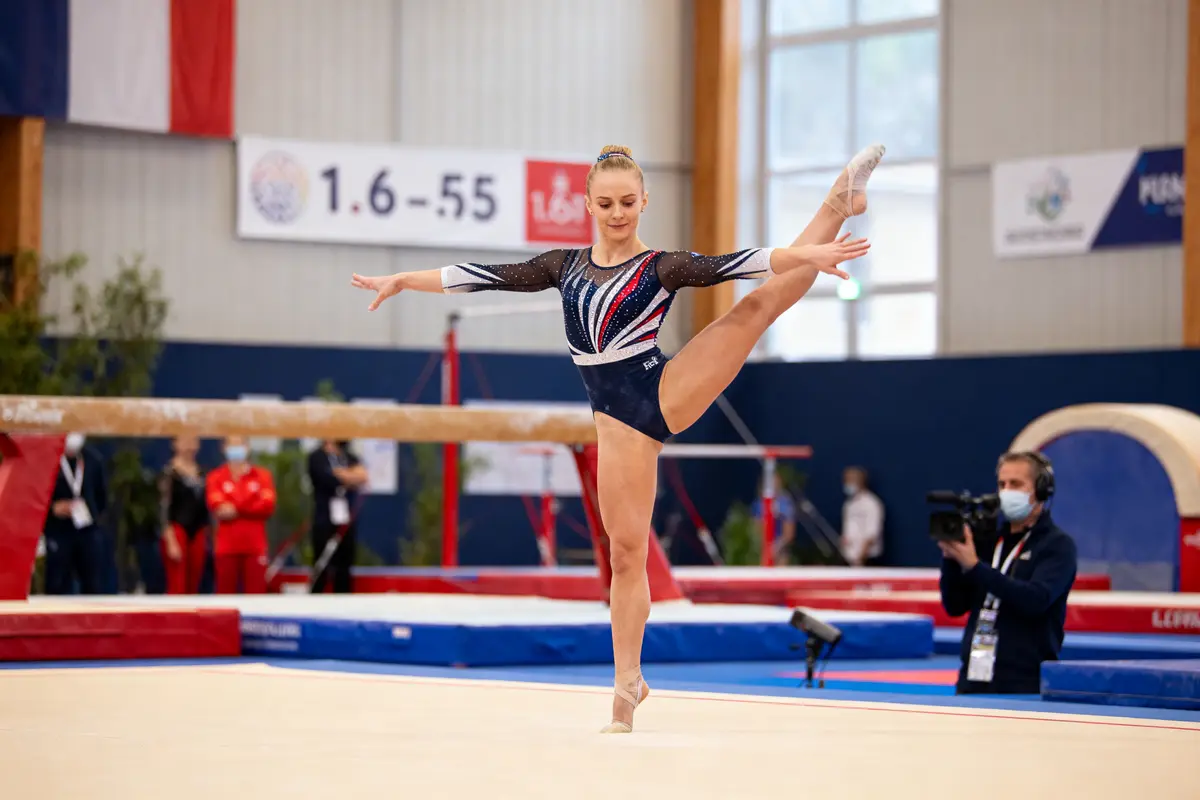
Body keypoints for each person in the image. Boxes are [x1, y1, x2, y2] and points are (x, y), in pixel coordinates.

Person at [351, 142, 885, 732]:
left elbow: (737, 263)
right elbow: (483, 276)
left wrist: (806, 252)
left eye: (628, 202)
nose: (617, 213)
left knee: (755, 308)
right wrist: (404, 279)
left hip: (664, 389)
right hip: (620, 426)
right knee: (626, 555)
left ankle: (839, 201)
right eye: (606, 203)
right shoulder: (563, 266)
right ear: (587, 204)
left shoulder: (661, 265)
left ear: (644, 201)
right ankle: (627, 685)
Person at [938, 451, 1078, 695]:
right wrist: (952, 560)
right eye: (1002, 484)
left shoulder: (1057, 545)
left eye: (1016, 484)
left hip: (1025, 682)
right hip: (974, 676)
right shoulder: (989, 540)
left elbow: (1036, 599)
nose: (1006, 491)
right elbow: (955, 605)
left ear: (1042, 490)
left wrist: (975, 567)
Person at [205, 436, 276, 594]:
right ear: (223, 448)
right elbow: (218, 508)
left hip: (255, 546)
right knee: (225, 596)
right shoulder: (215, 477)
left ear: (248, 447)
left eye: (240, 444)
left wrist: (235, 507)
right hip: (227, 547)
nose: (236, 449)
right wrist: (251, 501)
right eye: (232, 445)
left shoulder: (263, 476)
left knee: (256, 595)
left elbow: (267, 506)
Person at [42, 432, 108, 594]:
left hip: (86, 529)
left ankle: (93, 618)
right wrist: (52, 509)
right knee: (57, 584)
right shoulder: (48, 459)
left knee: (93, 583)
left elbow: (102, 496)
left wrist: (92, 514)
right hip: (58, 531)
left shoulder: (93, 459)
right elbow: (34, 495)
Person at [307, 439, 369, 593]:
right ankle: (316, 600)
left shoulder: (349, 456)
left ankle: (344, 600)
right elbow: (326, 478)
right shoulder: (316, 457)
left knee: (345, 565)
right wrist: (349, 476)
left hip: (344, 519)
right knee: (322, 564)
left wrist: (340, 474)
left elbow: (363, 476)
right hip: (324, 518)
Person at [159, 435, 210, 594]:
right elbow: (163, 508)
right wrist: (170, 539)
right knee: (177, 584)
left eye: (193, 440)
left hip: (199, 531)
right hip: (177, 530)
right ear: (174, 444)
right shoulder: (168, 473)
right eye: (185, 440)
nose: (189, 445)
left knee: (194, 585)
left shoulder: (203, 473)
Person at [840, 465, 883, 566]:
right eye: (845, 481)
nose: (846, 484)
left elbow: (872, 534)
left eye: (849, 481)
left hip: (866, 559)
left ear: (859, 482)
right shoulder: (849, 504)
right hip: (849, 557)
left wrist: (860, 558)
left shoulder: (871, 503)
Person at [751, 473, 797, 566]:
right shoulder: (759, 504)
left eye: (777, 483)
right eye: (772, 483)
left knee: (782, 562)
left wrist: (777, 546)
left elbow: (789, 533)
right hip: (763, 547)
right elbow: (756, 528)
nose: (775, 486)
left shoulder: (786, 503)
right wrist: (765, 547)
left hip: (781, 546)